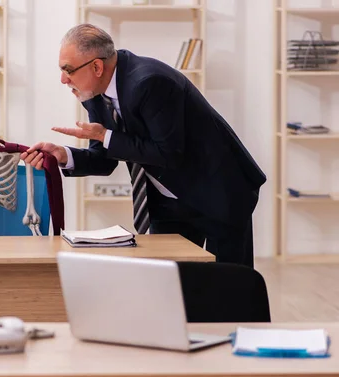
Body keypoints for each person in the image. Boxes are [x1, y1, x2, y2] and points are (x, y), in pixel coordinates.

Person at [21, 23, 266, 267]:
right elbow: (106, 159)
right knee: (168, 287)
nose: (63, 79)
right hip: (168, 200)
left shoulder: (150, 82)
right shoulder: (93, 93)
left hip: (218, 192)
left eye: (68, 70)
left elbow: (168, 152)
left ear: (97, 66)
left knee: (231, 290)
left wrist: (105, 136)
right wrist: (63, 155)